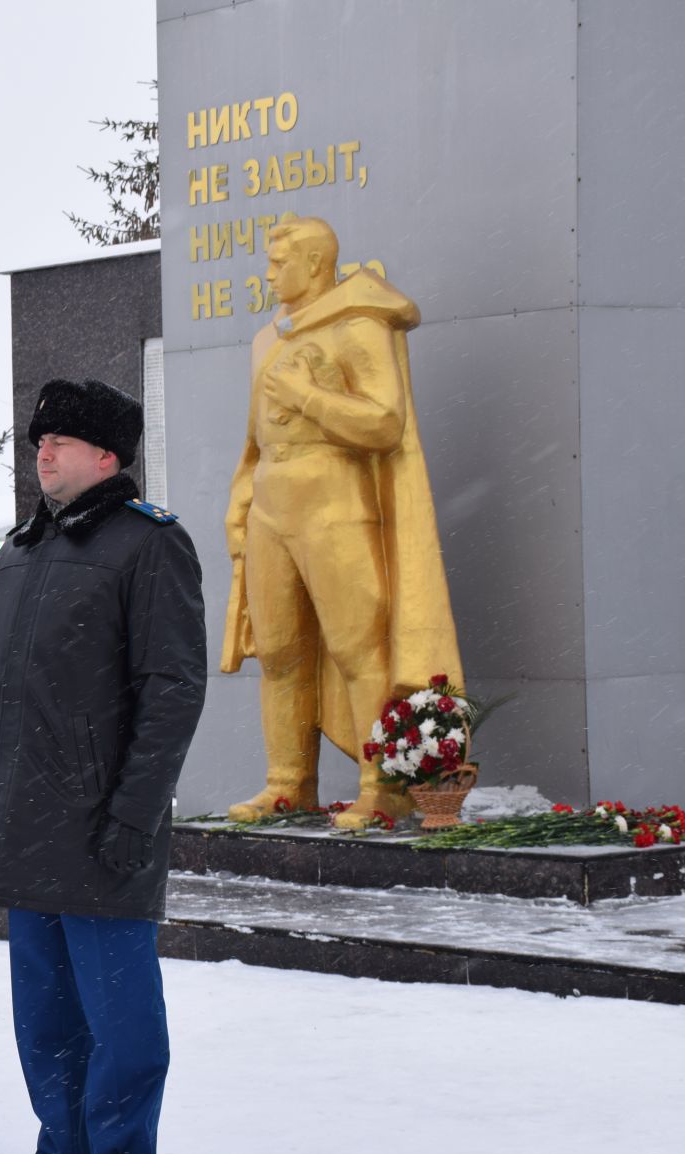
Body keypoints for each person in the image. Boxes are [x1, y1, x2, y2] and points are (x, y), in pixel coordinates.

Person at [0, 379, 206, 1154]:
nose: (43, 454)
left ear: (108, 455)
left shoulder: (149, 548)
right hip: (25, 825)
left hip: (104, 825)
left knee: (122, 1016)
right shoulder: (21, 553)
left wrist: (134, 815)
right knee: (45, 1015)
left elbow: (170, 692)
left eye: (60, 442)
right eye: (38, 442)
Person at [221, 216, 463, 829]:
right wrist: (240, 501)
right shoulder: (264, 340)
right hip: (274, 505)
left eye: (279, 263)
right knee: (277, 652)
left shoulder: (361, 323)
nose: (268, 273)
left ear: (315, 265)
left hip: (336, 499)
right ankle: (287, 783)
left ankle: (381, 786)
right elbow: (254, 441)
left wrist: (307, 396)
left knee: (360, 645)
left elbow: (384, 422)